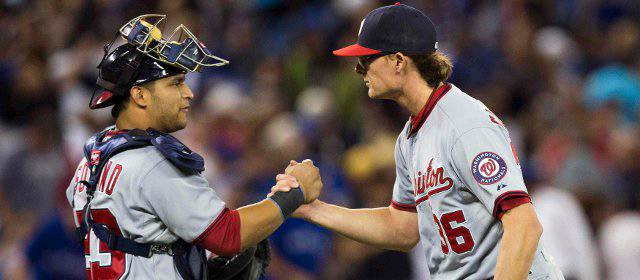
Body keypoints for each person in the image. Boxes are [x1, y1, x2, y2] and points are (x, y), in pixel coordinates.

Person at [275, 3, 564, 279]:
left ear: (398, 61)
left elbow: (524, 224)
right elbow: (402, 229)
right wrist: (313, 209)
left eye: (367, 58)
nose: (359, 69)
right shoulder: (410, 138)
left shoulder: (464, 123)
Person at [65, 15, 321, 280]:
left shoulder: (93, 158)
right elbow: (228, 235)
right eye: (175, 83)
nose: (189, 93)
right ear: (139, 95)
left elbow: (128, 240)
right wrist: (293, 193)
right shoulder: (151, 162)